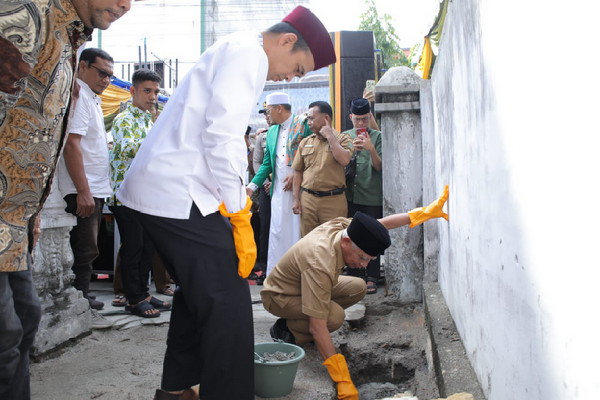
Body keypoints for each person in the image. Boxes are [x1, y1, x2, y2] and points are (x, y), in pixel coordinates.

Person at [116, 6, 336, 400]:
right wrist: (238, 213)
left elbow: (216, 135)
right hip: (173, 193)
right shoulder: (247, 54)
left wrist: (233, 205)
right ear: (287, 41)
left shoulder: (236, 50)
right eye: (298, 67)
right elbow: (222, 137)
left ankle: (177, 389)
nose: (290, 78)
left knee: (202, 292)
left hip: (175, 193)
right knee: (229, 301)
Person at [0, 1, 131, 398]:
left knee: (25, 319)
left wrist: (31, 212)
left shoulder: (67, 39)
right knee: (6, 334)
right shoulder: (27, 15)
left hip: (15, 225)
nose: (126, 5)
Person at [262, 186, 450, 400]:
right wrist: (342, 379)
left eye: (368, 260)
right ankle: (286, 330)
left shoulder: (347, 230)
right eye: (362, 258)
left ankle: (311, 311)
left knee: (358, 287)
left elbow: (381, 225)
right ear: (346, 243)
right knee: (333, 317)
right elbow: (318, 327)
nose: (364, 264)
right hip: (280, 296)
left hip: (307, 285)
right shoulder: (319, 261)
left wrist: (424, 212)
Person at [108, 69, 171, 317]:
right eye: (147, 91)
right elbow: (130, 148)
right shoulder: (124, 119)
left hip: (145, 196)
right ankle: (133, 298)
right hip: (126, 195)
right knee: (134, 247)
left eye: (156, 92)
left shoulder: (147, 119)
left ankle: (143, 293)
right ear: (133, 91)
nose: (153, 96)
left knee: (147, 247)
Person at [57, 47, 115, 311]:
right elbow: (72, 144)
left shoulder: (90, 97)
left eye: (109, 76)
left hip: (93, 186)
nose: (106, 80)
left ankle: (82, 294)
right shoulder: (79, 96)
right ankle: (77, 297)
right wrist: (83, 190)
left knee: (88, 248)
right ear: (82, 66)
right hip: (84, 186)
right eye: (101, 73)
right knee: (84, 248)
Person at [246, 92, 311, 276]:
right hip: (278, 189)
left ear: (279, 108)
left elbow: (311, 154)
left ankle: (298, 273)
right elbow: (267, 163)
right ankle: (278, 274)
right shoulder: (272, 131)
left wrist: (298, 173)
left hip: (300, 189)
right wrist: (252, 187)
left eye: (269, 110)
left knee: (296, 230)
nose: (267, 114)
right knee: (277, 230)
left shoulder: (303, 125)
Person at [292, 101, 353, 236]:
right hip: (308, 200)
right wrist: (296, 199)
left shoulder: (343, 139)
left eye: (312, 118)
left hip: (333, 201)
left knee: (333, 241)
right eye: (308, 118)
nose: (309, 122)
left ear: (326, 118)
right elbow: (298, 172)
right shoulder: (305, 142)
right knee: (308, 242)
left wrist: (330, 136)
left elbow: (344, 160)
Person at [344, 98, 383, 294]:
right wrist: (352, 150)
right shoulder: (345, 136)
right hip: (351, 194)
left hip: (371, 194)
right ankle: (353, 274)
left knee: (372, 235)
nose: (361, 124)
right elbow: (340, 165)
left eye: (365, 119)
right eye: (357, 119)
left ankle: (372, 276)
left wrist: (370, 148)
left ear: (370, 117)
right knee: (351, 235)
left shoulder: (378, 136)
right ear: (351, 117)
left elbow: (378, 166)